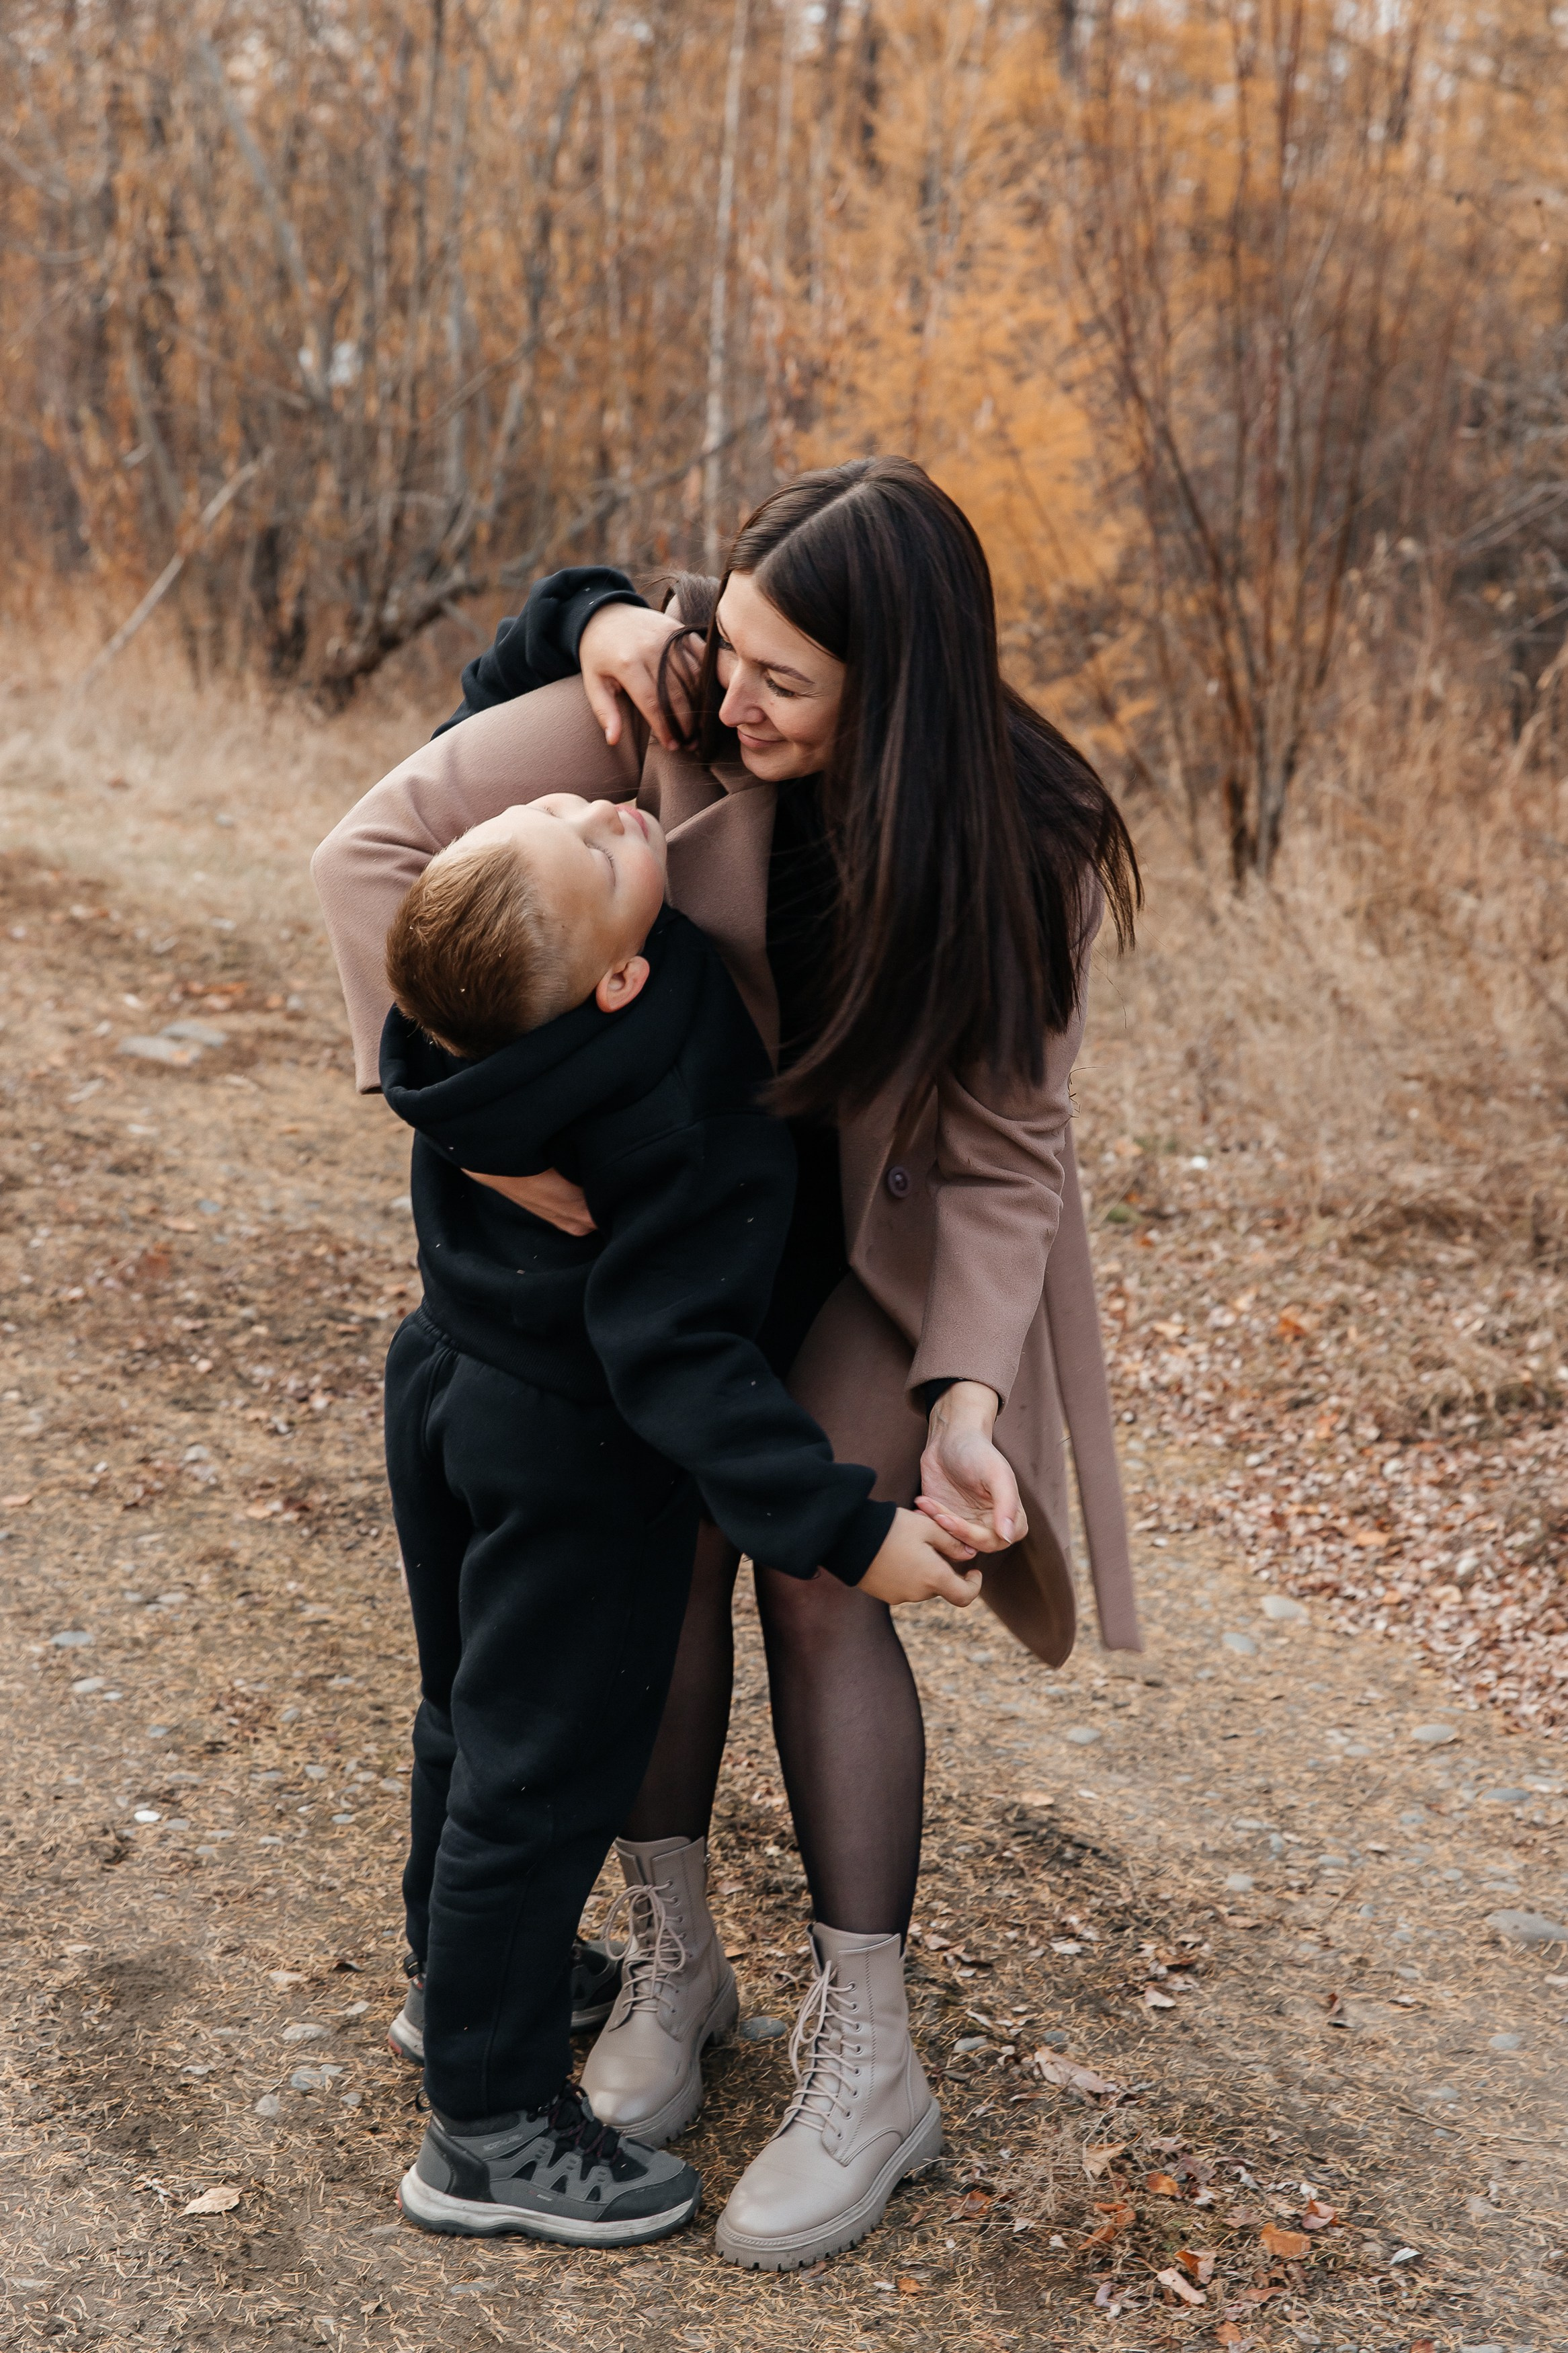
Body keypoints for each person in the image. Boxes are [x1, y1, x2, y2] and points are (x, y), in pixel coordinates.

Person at [311, 455, 1143, 2272]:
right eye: (726, 645)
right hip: (682, 1230)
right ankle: (672, 1964)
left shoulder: (1026, 836)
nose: (729, 693)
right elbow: (372, 860)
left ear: (897, 693)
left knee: (821, 1573)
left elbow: (1010, 1145)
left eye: (783, 678)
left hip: (871, 1240)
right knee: (661, 1542)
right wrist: (480, 1132)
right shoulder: (672, 692)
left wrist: (968, 1399)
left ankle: (870, 2064)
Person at [358, 789, 980, 2241]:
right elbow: (680, 1360)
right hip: (565, 1452)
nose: (606, 806)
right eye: (595, 846)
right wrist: (850, 1529)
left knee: (465, 1713)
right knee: (536, 1775)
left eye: (559, 810)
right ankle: (491, 2125)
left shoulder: (456, 1031)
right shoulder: (668, 1094)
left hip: (442, 1378)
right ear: (623, 978)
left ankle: (457, 1984)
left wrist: (579, 656)